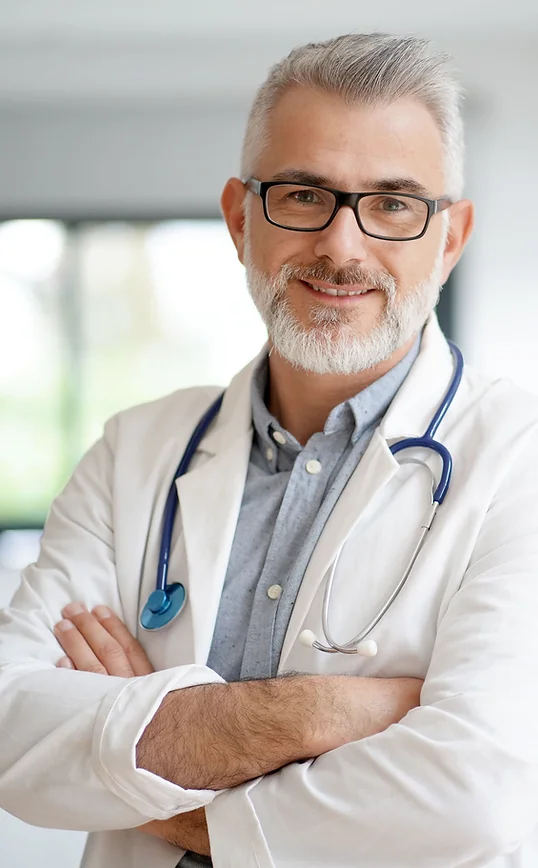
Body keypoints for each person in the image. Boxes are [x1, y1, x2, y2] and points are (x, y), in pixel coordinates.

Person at [1, 30, 538, 868]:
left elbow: (475, 795)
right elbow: (10, 733)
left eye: (393, 203)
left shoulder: (518, 459)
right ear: (238, 216)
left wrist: (138, 755)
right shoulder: (135, 451)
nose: (342, 247)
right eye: (302, 194)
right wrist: (320, 716)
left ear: (452, 236)